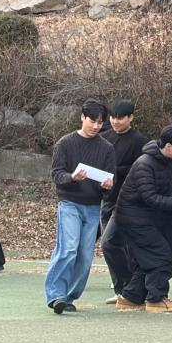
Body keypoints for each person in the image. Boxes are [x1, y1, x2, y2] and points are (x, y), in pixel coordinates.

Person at [114, 126, 172, 313]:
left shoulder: (163, 162)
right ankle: (156, 299)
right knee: (160, 253)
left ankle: (131, 297)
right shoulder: (145, 164)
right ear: (168, 147)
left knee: (147, 259)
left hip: (144, 218)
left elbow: (168, 191)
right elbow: (150, 198)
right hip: (132, 219)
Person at [45, 99, 116, 314]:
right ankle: (55, 294)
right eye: (92, 121)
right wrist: (72, 177)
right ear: (82, 117)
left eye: (100, 122)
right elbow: (56, 174)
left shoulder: (107, 148)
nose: (95, 126)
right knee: (68, 248)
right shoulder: (65, 143)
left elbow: (110, 182)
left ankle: (69, 296)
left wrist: (107, 186)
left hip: (93, 205)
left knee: (85, 255)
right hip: (69, 202)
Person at [100, 99, 146, 303]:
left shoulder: (138, 141)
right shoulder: (104, 137)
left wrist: (113, 172)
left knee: (113, 243)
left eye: (120, 118)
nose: (115, 121)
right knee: (111, 246)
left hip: (127, 201)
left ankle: (131, 290)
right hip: (106, 198)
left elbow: (138, 170)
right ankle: (121, 290)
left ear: (131, 118)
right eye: (112, 117)